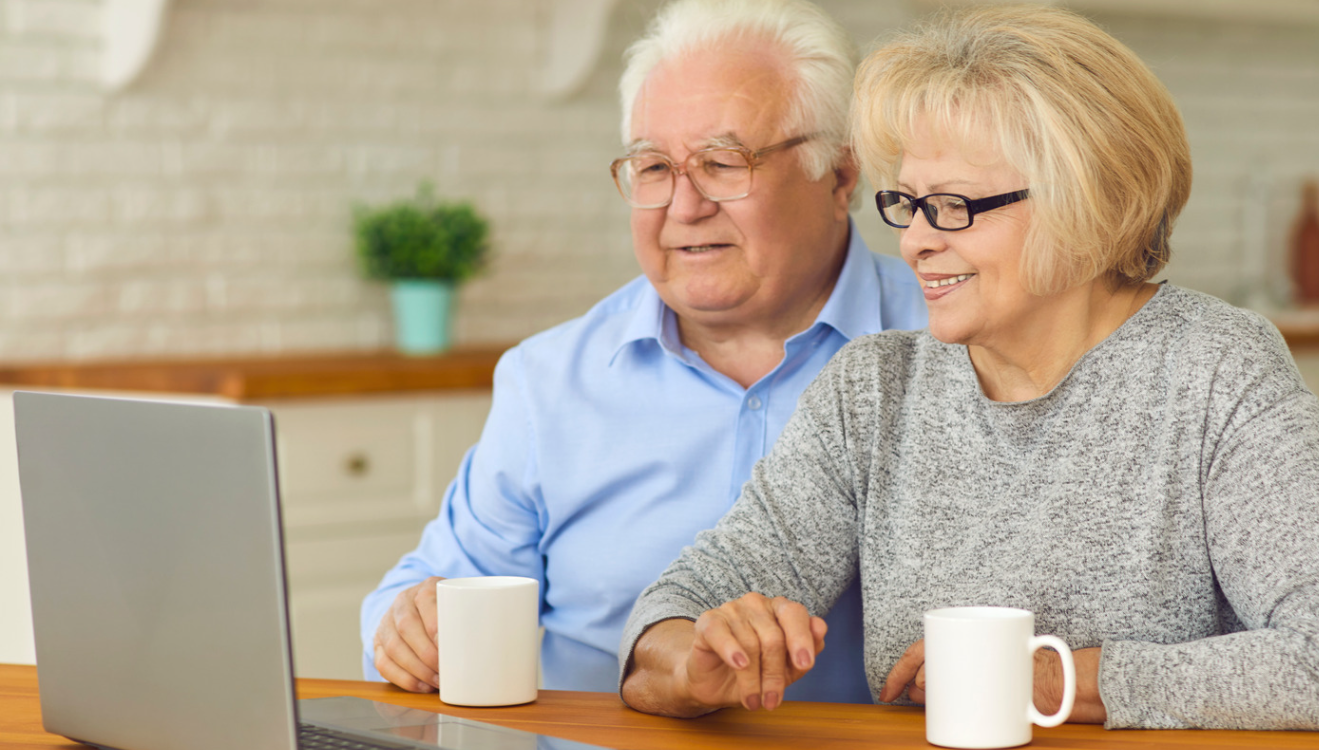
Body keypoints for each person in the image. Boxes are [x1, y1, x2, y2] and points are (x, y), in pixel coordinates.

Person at [618, 5, 1319, 729]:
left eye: (955, 206)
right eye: (907, 202)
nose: (919, 240)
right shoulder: (873, 391)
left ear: (1087, 204)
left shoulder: (1211, 369)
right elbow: (676, 607)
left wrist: (1048, 677)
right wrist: (696, 660)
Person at [360, 0, 926, 703]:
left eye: (722, 163)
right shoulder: (549, 381)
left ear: (841, 178)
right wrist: (408, 625)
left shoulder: (954, 345)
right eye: (653, 167)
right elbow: (431, 588)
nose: (683, 207)